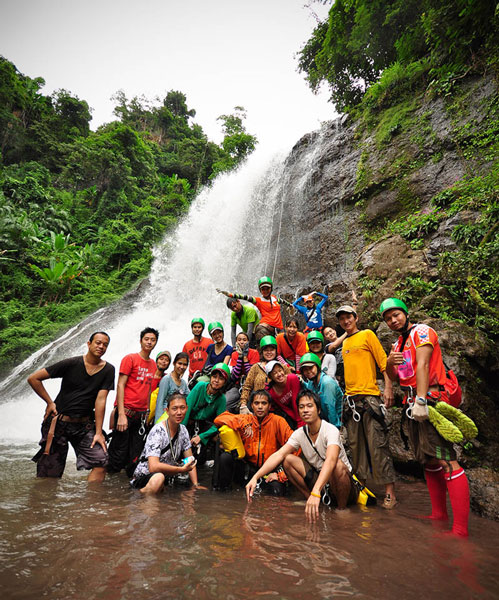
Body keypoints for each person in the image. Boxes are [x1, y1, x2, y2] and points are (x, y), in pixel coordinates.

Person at [381, 297, 470, 536]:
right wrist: (390, 363)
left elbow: (422, 365)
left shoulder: (421, 332)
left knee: (446, 460)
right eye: (388, 319)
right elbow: (398, 376)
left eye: (396, 315)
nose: (393, 320)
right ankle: (439, 514)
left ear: (405, 313)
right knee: (428, 461)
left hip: (429, 401)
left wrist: (421, 400)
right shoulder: (398, 344)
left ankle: (460, 530)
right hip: (411, 404)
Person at [246, 390, 357, 521]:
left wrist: (316, 491)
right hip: (321, 484)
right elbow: (279, 454)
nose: (305, 410)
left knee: (338, 465)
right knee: (287, 459)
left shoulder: (330, 430)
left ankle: (341, 509)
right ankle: (310, 498)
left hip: (344, 486)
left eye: (310, 406)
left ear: (319, 410)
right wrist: (255, 477)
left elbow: (331, 460)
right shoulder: (299, 433)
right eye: (301, 407)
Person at [28, 332, 115, 482]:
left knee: (101, 461)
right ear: (89, 344)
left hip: (84, 426)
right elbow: (33, 378)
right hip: (58, 424)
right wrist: (49, 402)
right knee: (50, 475)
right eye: (98, 343)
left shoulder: (108, 370)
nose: (101, 346)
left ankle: (91, 503)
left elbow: (101, 401)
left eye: (105, 344)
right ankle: (44, 505)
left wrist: (99, 432)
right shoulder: (71, 363)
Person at [337, 305, 397, 509]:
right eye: (342, 319)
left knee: (377, 444)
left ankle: (389, 492)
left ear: (356, 317)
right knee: (356, 447)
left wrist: (388, 389)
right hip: (351, 401)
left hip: (370, 396)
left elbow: (384, 363)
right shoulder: (344, 342)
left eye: (349, 317)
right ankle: (361, 486)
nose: (346, 321)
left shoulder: (367, 335)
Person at [214, 390, 294, 494]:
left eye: (264, 403)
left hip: (269, 471)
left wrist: (280, 475)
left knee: (277, 492)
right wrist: (243, 424)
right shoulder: (246, 419)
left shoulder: (278, 421)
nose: (260, 407)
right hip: (247, 469)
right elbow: (219, 419)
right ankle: (223, 494)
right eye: (256, 403)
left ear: (269, 406)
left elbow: (295, 446)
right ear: (251, 405)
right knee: (226, 457)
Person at [107, 327, 161, 477]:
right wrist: (121, 413)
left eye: (153, 340)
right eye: (147, 339)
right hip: (126, 413)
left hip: (140, 417)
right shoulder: (130, 359)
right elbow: (120, 385)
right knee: (119, 452)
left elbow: (149, 389)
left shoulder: (153, 365)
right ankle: (106, 489)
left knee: (135, 453)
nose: (149, 342)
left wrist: (148, 414)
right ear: (140, 340)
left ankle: (127, 490)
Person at [130, 392, 204, 494]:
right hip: (146, 477)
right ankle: (139, 495)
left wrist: (195, 485)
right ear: (167, 411)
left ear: (187, 408)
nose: (179, 412)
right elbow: (153, 467)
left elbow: (189, 460)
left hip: (166, 477)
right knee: (158, 478)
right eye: (174, 408)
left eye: (182, 408)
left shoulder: (183, 430)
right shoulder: (158, 431)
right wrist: (180, 469)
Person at [217, 276, 291, 342]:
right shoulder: (259, 300)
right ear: (260, 290)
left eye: (267, 288)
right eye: (263, 289)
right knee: (264, 342)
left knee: (283, 345)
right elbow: (246, 297)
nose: (265, 291)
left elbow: (282, 301)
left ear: (271, 288)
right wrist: (231, 295)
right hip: (266, 327)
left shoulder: (274, 298)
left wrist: (290, 305)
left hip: (279, 327)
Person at [182, 363, 230, 464]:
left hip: (202, 426)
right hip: (188, 422)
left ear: (225, 382)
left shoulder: (221, 399)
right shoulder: (200, 386)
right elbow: (187, 408)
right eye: (214, 376)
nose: (216, 380)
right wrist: (181, 432)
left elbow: (219, 423)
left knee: (198, 459)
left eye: (221, 378)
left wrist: (201, 437)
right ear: (210, 377)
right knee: (183, 448)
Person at [239, 335, 290, 414]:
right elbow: (247, 387)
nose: (269, 352)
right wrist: (243, 404)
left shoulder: (282, 367)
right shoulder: (256, 367)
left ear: (276, 351)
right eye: (266, 350)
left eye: (271, 350)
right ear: (262, 352)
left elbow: (290, 384)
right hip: (257, 406)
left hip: (278, 407)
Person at [299, 353, 343, 428]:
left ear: (318, 367)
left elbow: (330, 409)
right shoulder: (311, 382)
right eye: (305, 370)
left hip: (338, 422)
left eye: (311, 368)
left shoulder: (327, 383)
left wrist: (334, 430)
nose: (308, 371)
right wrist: (302, 383)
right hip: (325, 423)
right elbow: (311, 390)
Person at [225, 332, 260, 413]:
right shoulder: (234, 354)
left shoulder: (254, 353)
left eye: (244, 340)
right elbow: (235, 376)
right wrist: (240, 357)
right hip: (238, 385)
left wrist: (245, 358)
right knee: (226, 401)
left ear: (248, 342)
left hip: (251, 386)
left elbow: (251, 374)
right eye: (239, 340)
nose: (242, 342)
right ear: (236, 342)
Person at [265, 360, 303, 428]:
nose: (279, 374)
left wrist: (300, 422)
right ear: (270, 377)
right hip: (291, 418)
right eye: (275, 373)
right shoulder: (272, 392)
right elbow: (285, 409)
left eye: (280, 370)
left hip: (302, 411)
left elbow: (296, 401)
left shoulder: (292, 378)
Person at [154, 352, 190, 424]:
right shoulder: (166, 379)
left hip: (177, 420)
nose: (182, 367)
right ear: (174, 363)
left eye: (185, 364)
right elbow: (160, 402)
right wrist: (158, 424)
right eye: (179, 363)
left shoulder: (183, 383)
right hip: (165, 419)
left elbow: (190, 398)